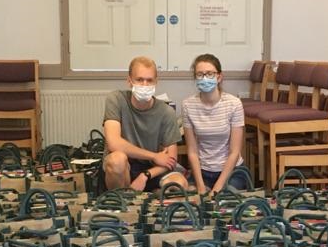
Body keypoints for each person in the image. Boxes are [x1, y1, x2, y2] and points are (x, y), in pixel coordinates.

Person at [102, 56, 188, 192]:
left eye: (149, 80)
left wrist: (145, 175)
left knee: (179, 184)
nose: (144, 85)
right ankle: (123, 203)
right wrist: (154, 156)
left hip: (153, 170)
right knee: (117, 160)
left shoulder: (166, 112)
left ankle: (154, 200)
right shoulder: (116, 100)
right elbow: (114, 143)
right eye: (139, 80)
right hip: (126, 168)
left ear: (156, 82)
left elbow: (170, 159)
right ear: (129, 81)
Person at [181, 53, 246, 194]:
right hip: (202, 171)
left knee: (225, 197)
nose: (204, 78)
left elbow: (234, 152)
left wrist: (216, 189)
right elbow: (192, 151)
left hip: (231, 171)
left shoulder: (234, 104)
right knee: (191, 197)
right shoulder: (187, 105)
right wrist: (200, 186)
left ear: (219, 77)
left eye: (209, 74)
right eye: (200, 74)